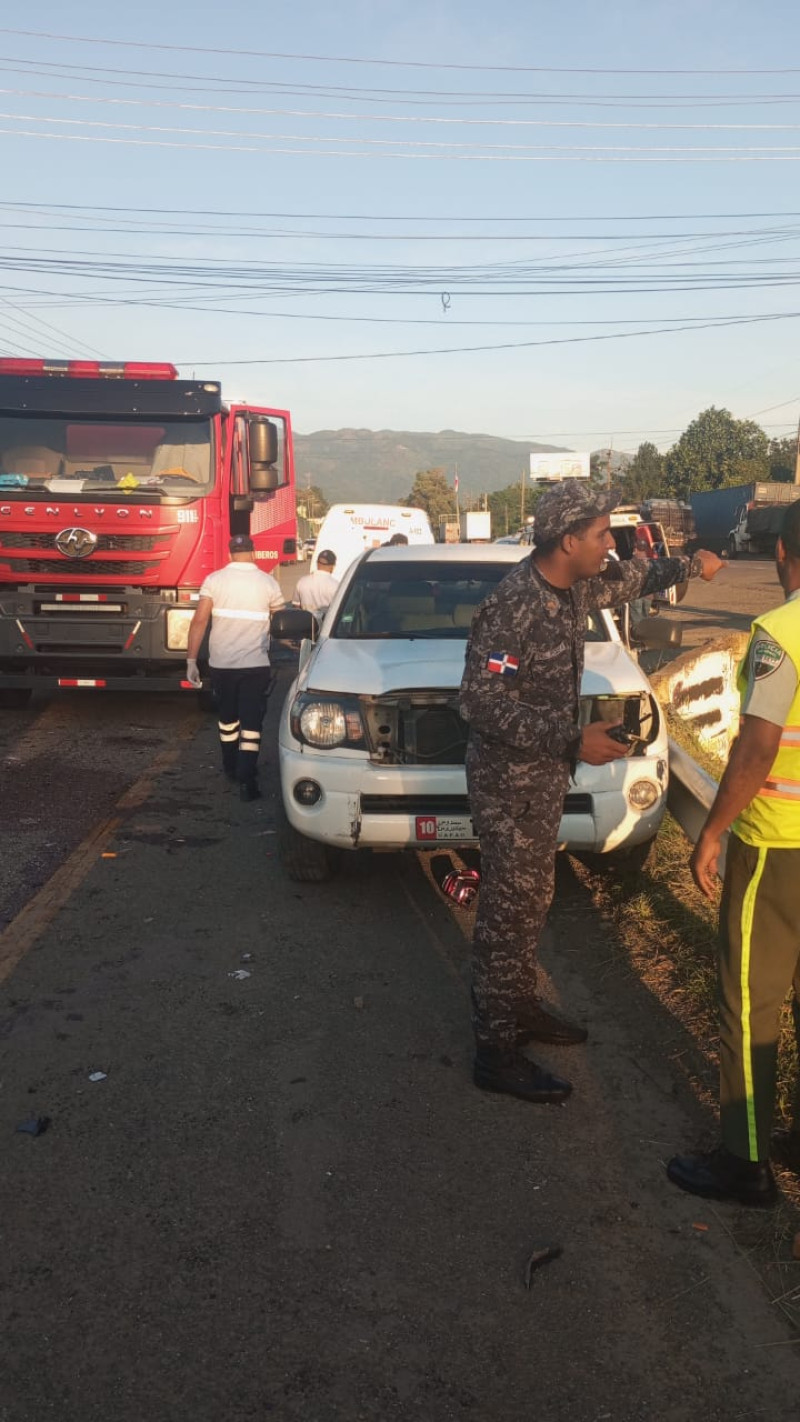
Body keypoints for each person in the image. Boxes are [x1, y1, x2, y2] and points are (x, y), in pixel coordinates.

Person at [459, 479, 722, 1105]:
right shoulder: (513, 606)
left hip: (542, 779)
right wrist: (572, 739)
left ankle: (518, 1006)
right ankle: (496, 1049)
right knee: (508, 910)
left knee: (532, 899)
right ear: (569, 539)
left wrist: (692, 564)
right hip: (510, 783)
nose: (610, 545)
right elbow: (479, 702)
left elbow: (633, 579)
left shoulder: (574, 588)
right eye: (602, 534)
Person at [667, 501, 800, 1208]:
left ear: (781, 553)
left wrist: (713, 830)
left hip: (779, 845)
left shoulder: (779, 633)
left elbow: (755, 750)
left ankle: (744, 1163)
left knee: (749, 1000)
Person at [186, 534, 285, 801]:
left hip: (221, 665)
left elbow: (199, 622)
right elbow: (280, 625)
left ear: (230, 554)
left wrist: (191, 661)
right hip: (255, 666)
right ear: (252, 553)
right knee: (252, 722)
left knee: (228, 720)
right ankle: (247, 776)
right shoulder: (268, 583)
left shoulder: (214, 581)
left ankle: (230, 767)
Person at [292, 548, 339, 617]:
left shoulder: (302, 582)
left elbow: (296, 606)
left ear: (317, 563)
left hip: (306, 624)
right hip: (326, 626)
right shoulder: (336, 586)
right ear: (332, 566)